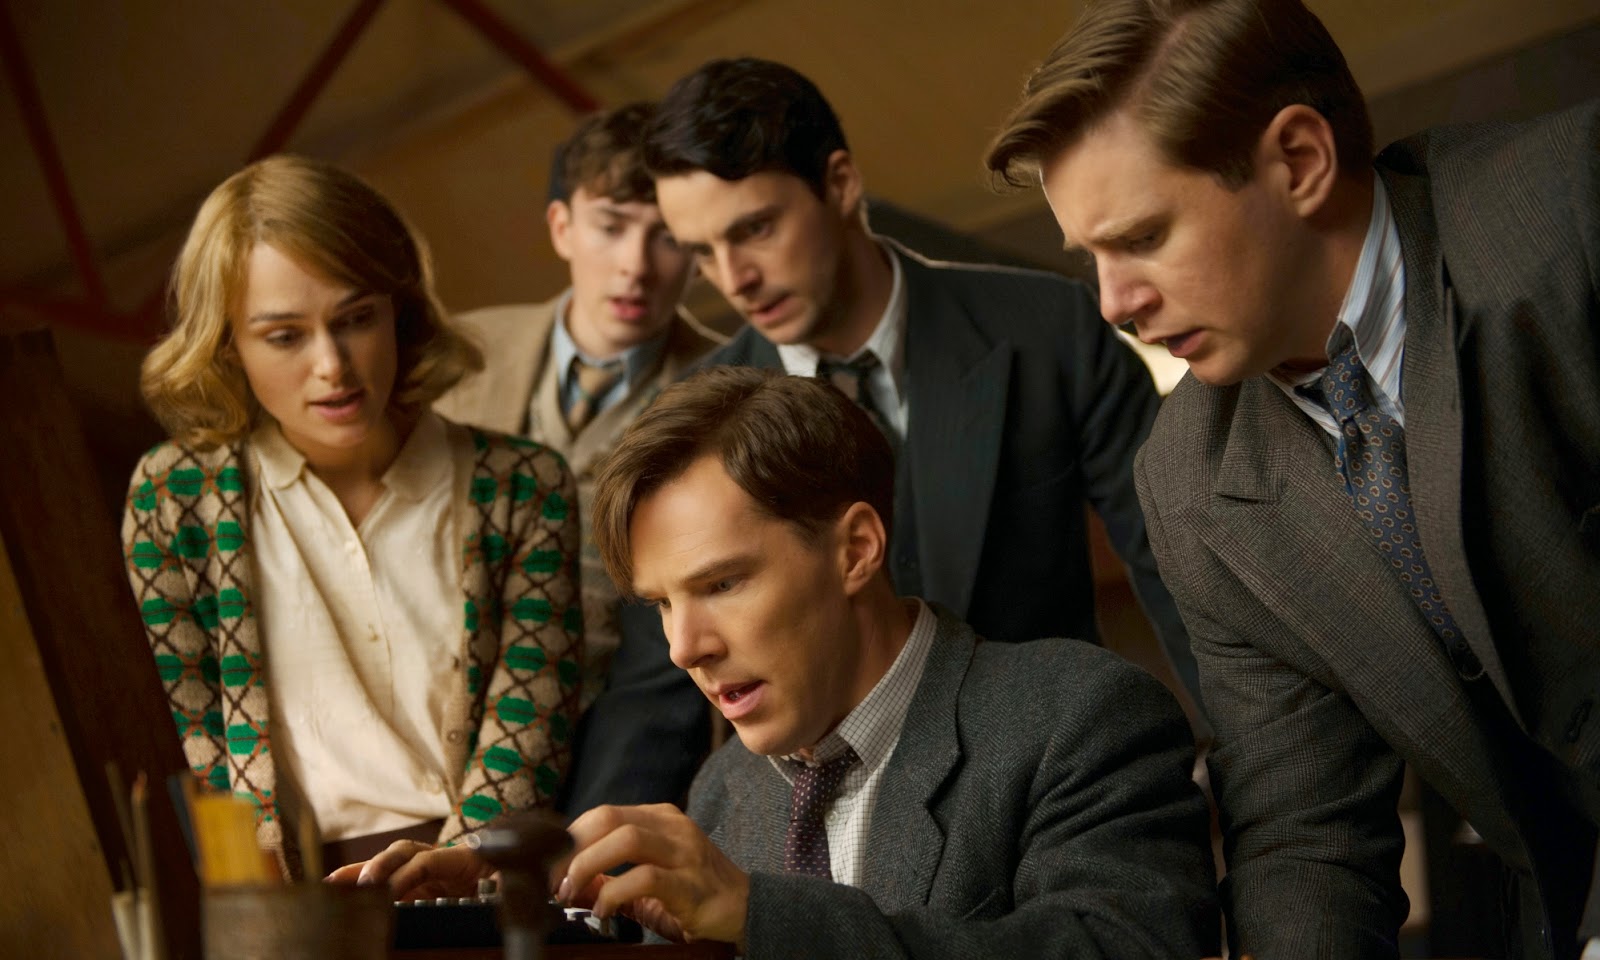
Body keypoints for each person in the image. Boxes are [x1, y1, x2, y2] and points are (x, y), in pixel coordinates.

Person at [984, 1, 1600, 957]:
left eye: (1143, 237)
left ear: (1301, 161)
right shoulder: (1188, 484)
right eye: (1091, 257)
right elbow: (1307, 834)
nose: (1113, 303)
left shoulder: (1572, 213)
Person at [337, 367, 1219, 959]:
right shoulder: (724, 791)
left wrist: (761, 915)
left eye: (721, 583)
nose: (685, 646)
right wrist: (515, 914)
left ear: (856, 549)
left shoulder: (1080, 715)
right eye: (662, 604)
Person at [640, 56, 1204, 709]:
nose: (735, 279)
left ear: (841, 183)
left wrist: (1253, 761)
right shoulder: (692, 422)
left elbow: (1187, 578)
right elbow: (662, 685)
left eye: (755, 229)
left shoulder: (1048, 329)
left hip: (1055, 744)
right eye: (703, 252)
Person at [123, 154, 584, 876]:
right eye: (285, 335)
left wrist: (457, 870)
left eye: (356, 318)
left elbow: (530, 725)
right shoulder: (171, 498)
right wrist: (261, 901)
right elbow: (193, 734)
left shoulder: (523, 488)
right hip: (282, 896)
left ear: (400, 311)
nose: (333, 365)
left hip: (482, 883)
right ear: (227, 344)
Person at [434, 102, 721, 817]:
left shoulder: (731, 391)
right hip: (450, 738)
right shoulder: (459, 360)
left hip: (633, 757)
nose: (635, 266)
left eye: (667, 237)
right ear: (562, 227)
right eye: (611, 226)